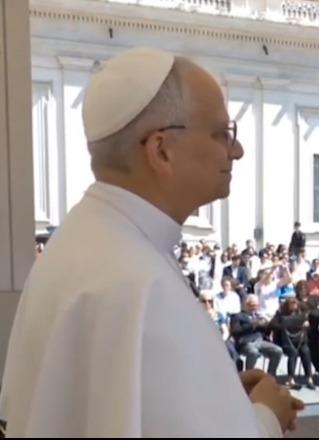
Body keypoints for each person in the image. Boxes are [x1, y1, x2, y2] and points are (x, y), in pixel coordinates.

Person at [0, 47, 302, 437]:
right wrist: (268, 415)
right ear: (161, 150)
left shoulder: (81, 239)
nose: (237, 150)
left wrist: (220, 393)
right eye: (222, 133)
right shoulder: (142, 281)